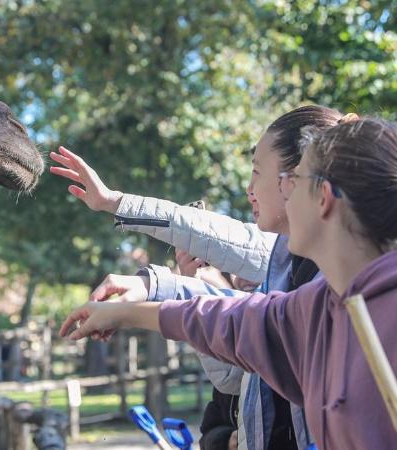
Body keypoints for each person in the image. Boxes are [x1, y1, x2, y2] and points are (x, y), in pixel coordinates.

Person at [58, 116, 397, 450]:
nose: (283, 187)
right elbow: (232, 321)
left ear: (323, 196)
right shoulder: (321, 304)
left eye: (293, 178)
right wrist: (130, 310)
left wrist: (114, 203)